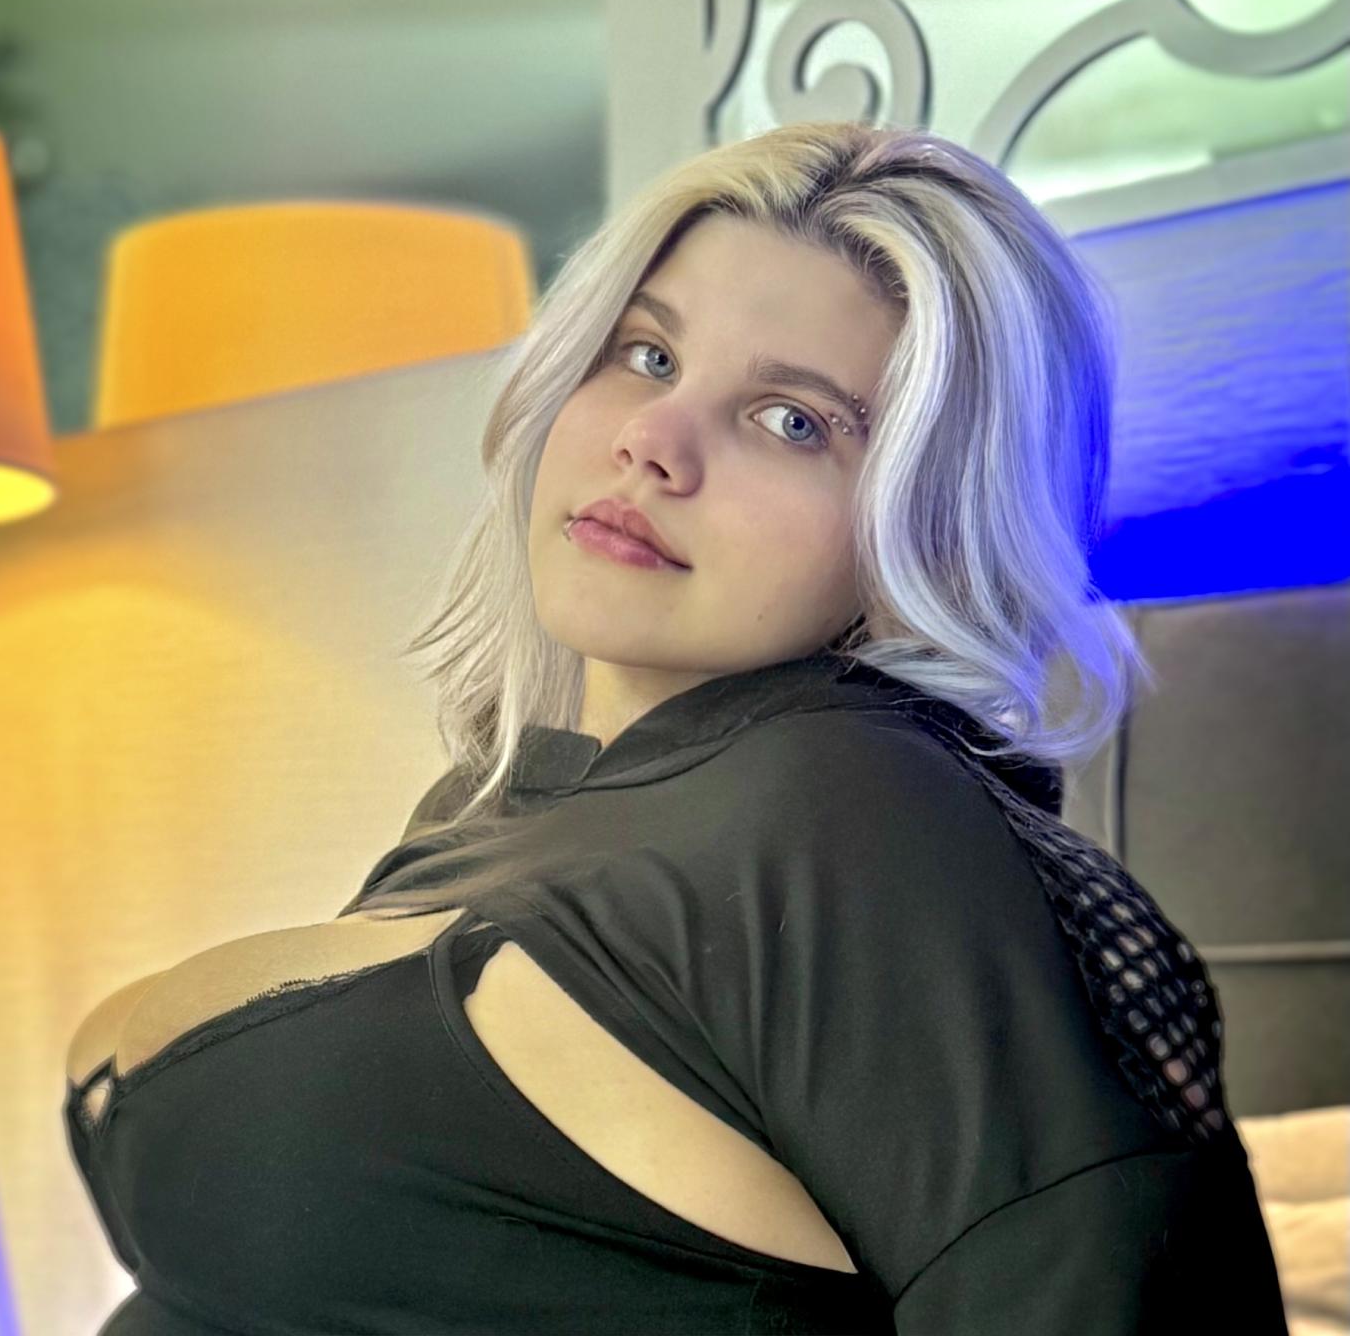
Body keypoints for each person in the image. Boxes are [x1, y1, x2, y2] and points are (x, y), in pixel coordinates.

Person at [65, 120, 1290, 1334]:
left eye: (794, 420)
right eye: (646, 354)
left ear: (932, 522)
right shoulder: (504, 803)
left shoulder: (860, 813)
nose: (650, 443)